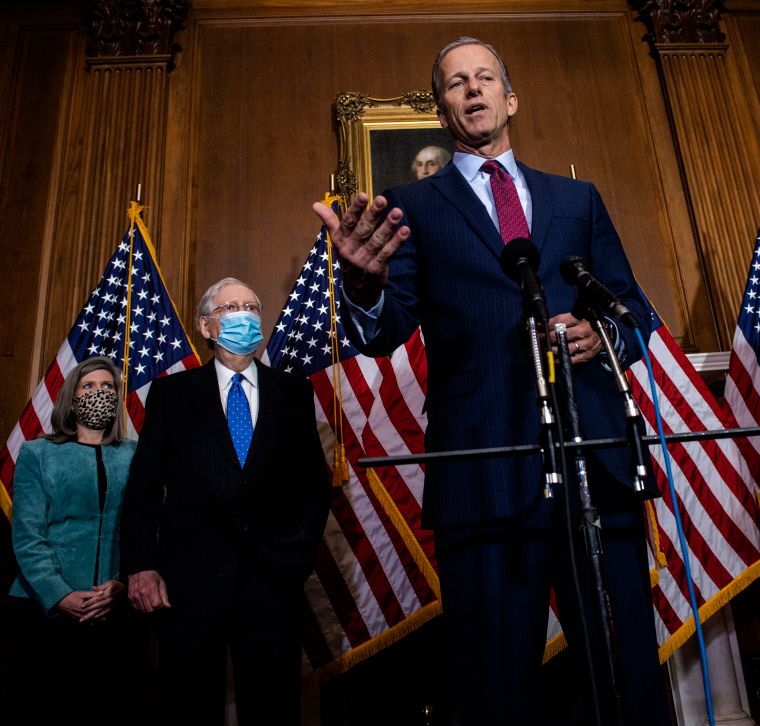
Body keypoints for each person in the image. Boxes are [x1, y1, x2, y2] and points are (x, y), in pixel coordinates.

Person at [314, 37, 672, 725]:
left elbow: (632, 308)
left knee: (626, 671)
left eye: (485, 78)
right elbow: (385, 329)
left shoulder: (577, 198)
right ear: (443, 109)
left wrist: (602, 336)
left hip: (593, 455)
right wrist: (361, 282)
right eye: (456, 83)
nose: (472, 90)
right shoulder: (411, 205)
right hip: (484, 469)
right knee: (494, 682)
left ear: (511, 98)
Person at [119, 277, 330, 725]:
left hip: (273, 577)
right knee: (190, 705)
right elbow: (143, 487)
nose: (245, 315)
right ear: (206, 326)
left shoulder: (294, 392)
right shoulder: (173, 394)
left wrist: (299, 552)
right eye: (231, 307)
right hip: (189, 580)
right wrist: (141, 565)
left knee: (273, 707)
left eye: (252, 306)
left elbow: (314, 482)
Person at [4, 356, 143, 725]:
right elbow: (28, 535)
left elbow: (149, 528)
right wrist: (59, 594)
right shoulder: (38, 453)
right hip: (44, 609)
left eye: (108, 387)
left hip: (114, 607)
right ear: (71, 398)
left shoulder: (135, 455)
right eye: (89, 387)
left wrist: (124, 582)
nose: (100, 393)